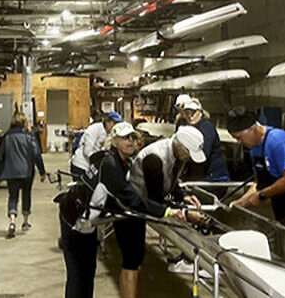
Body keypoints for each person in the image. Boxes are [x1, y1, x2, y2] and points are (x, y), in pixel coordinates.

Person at [59, 122, 192, 298]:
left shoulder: (122, 162)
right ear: (114, 141)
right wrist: (166, 211)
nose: (130, 141)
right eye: (124, 138)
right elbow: (129, 198)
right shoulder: (110, 164)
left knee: (88, 271)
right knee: (78, 276)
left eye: (133, 137)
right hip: (74, 218)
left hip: (87, 221)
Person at [123, 125, 207, 298]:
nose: (190, 158)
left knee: (137, 258)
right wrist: (184, 214)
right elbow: (155, 200)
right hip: (134, 206)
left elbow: (171, 179)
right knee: (133, 259)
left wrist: (183, 197)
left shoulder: (178, 154)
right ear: (180, 146)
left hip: (149, 202)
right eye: (189, 154)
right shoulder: (154, 158)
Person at [227, 106, 285, 234]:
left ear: (252, 129)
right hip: (282, 205)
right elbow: (258, 183)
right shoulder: (254, 148)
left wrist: (261, 196)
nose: (238, 142)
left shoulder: (278, 142)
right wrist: (241, 202)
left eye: (239, 137)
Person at [0, 111, 47, 237]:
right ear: (24, 122)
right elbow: (36, 154)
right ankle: (25, 223)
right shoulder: (29, 136)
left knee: (13, 197)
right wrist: (42, 172)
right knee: (26, 195)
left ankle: (12, 221)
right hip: (27, 172)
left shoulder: (7, 136)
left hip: (11, 172)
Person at [175, 95, 230, 197]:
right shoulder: (185, 126)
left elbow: (203, 155)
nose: (190, 116)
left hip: (213, 179)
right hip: (199, 177)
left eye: (193, 112)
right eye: (187, 113)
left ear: (200, 112)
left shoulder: (206, 128)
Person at [70, 111, 122, 179]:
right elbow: (87, 150)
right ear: (107, 121)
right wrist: (98, 161)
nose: (115, 126)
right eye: (114, 123)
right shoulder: (95, 128)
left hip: (91, 167)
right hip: (81, 165)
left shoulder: (110, 134)